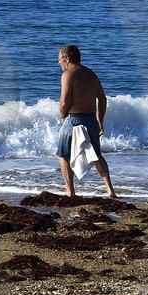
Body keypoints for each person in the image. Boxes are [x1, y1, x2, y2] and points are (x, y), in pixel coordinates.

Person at [56, 44, 116, 198]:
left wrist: (62, 115)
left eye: (60, 59)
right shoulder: (91, 74)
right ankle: (110, 190)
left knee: (63, 155)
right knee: (96, 155)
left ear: (67, 59)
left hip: (74, 120)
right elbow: (102, 99)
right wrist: (99, 120)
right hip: (91, 120)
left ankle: (70, 192)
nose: (59, 62)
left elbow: (64, 101)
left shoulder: (67, 74)